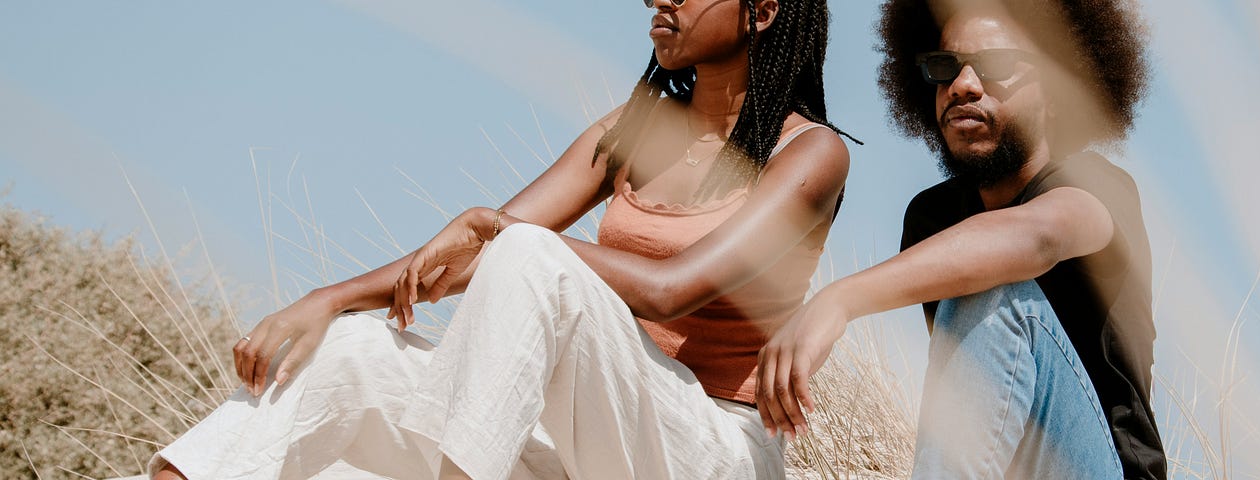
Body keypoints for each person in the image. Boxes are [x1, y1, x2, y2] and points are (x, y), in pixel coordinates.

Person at [150, 0, 855, 478]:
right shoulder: (633, 130)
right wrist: (328, 299)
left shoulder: (810, 154)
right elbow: (469, 254)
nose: (656, 0)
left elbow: (671, 291)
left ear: (762, 10)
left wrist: (499, 230)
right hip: (581, 447)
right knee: (350, 349)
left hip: (708, 448)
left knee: (526, 250)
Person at [754, 0, 1164, 478]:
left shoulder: (1097, 186)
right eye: (944, 67)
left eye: (997, 66)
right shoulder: (932, 218)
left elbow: (1037, 238)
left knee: (993, 290)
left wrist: (840, 300)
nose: (964, 85)